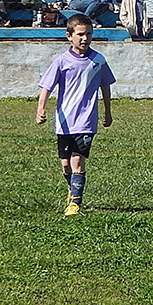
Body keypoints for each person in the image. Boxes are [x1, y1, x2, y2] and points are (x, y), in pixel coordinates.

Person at [35, 14, 115, 217]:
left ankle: (75, 204)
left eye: (88, 34)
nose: (85, 38)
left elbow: (105, 86)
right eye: (80, 34)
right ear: (69, 36)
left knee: (77, 160)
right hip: (64, 122)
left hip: (86, 120)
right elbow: (47, 87)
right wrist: (41, 109)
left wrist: (107, 111)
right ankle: (72, 189)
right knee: (65, 163)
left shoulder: (98, 60)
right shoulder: (62, 61)